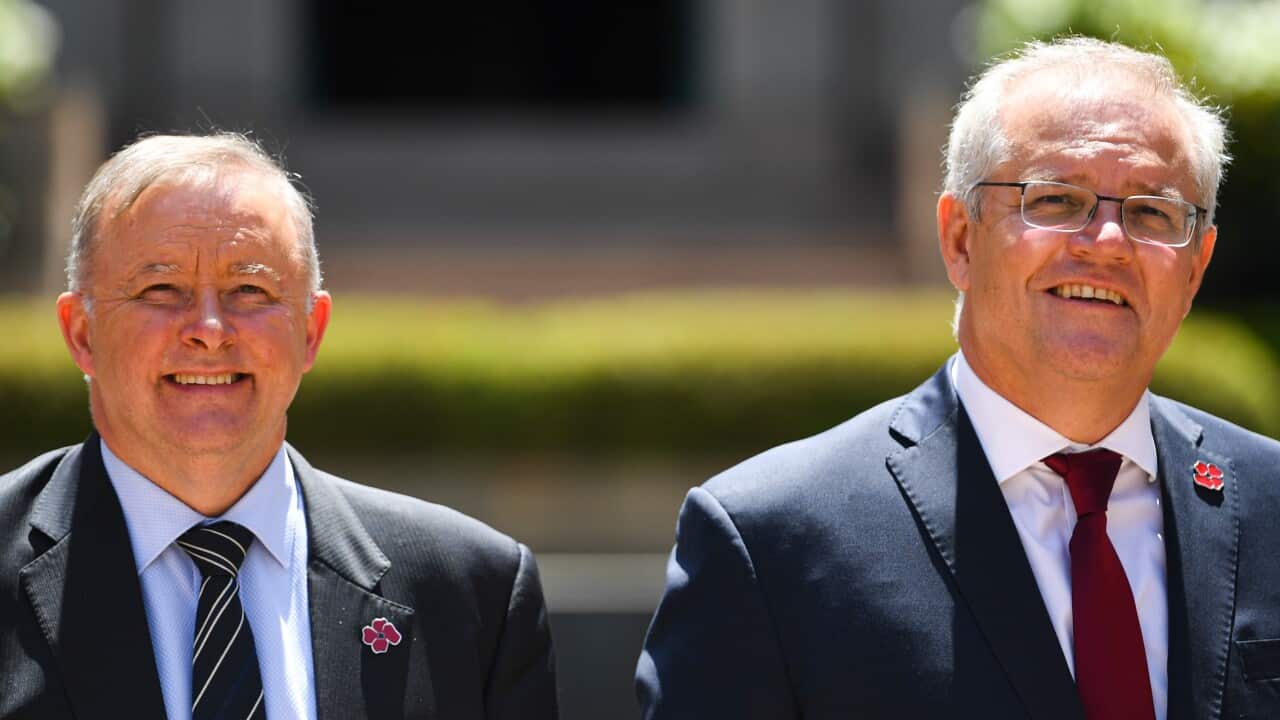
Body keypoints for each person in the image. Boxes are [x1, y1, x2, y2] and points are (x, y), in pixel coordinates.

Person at [636, 37, 1280, 719]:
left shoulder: (1269, 507)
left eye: (1152, 212)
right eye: (1056, 200)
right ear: (960, 239)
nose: (1108, 243)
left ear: (1196, 266)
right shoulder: (771, 543)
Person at [0, 133, 558, 719]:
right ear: (82, 333)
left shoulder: (473, 594)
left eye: (250, 290)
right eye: (161, 289)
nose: (209, 329)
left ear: (311, 330)